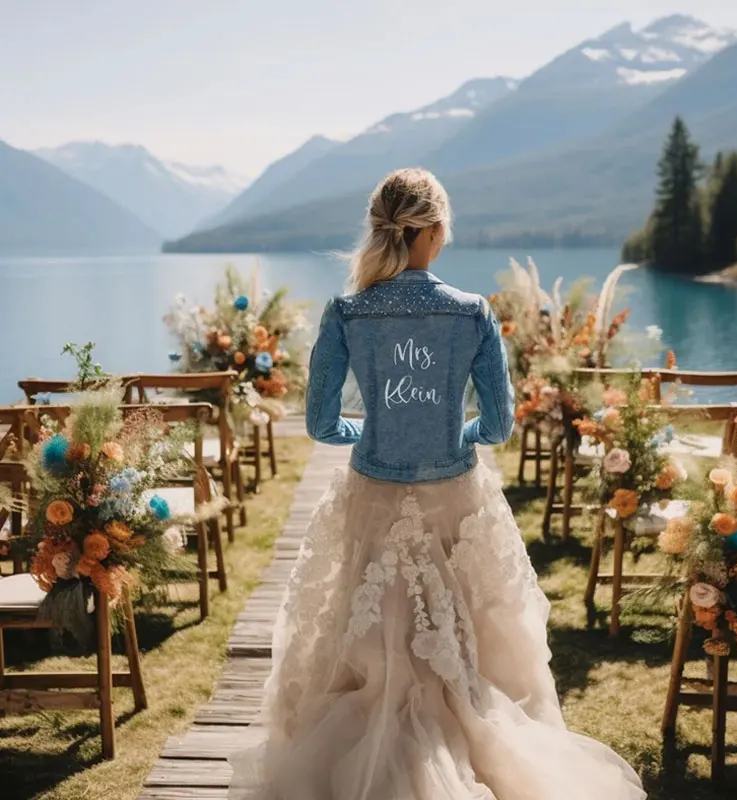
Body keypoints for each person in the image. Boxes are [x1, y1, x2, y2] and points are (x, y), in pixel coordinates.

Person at [228, 168, 645, 799]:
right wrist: (459, 432)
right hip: (454, 496)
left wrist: (365, 431)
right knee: (468, 631)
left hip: (372, 493)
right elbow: (498, 425)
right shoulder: (472, 312)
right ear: (436, 229)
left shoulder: (347, 312)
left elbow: (319, 423)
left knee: (371, 626)